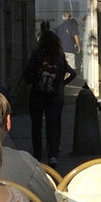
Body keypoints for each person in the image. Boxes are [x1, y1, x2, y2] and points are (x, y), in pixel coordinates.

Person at [24, 23, 69, 164]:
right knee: (53, 125)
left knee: (36, 125)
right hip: (54, 96)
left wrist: (32, 80)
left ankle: (37, 154)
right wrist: (61, 84)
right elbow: (67, 73)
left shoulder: (36, 55)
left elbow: (28, 75)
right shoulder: (59, 57)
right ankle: (53, 155)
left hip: (37, 95)